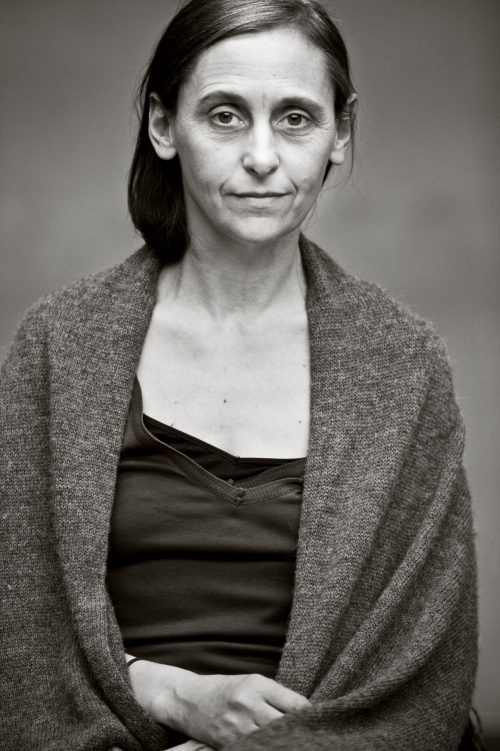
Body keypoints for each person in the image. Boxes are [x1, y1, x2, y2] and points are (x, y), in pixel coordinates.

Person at [0, 1, 480, 749]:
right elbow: (17, 639)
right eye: (225, 115)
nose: (262, 155)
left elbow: (426, 675)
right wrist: (172, 694)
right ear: (164, 125)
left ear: (340, 134)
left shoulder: (406, 364)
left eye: (295, 117)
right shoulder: (57, 348)